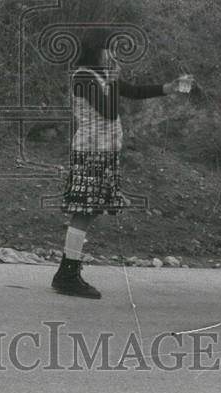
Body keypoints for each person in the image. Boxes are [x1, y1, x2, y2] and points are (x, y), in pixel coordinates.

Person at [51, 29, 193, 299]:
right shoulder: (83, 77)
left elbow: (135, 91)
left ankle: (67, 271)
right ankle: (67, 273)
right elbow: (108, 109)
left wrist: (169, 88)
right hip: (91, 153)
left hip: (102, 153)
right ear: (97, 50)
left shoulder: (101, 76)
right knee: (84, 211)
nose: (114, 55)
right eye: (110, 49)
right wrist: (115, 81)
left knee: (88, 212)